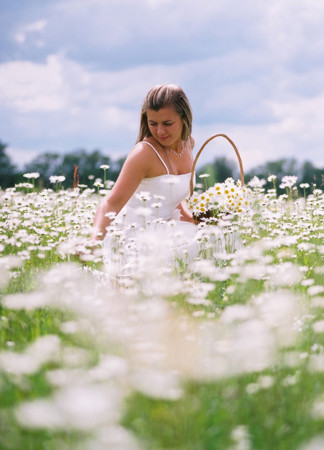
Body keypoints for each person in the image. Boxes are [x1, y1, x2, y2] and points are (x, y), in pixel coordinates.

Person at [91, 84, 199, 274]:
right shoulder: (144, 153)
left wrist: (201, 221)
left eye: (167, 123)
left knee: (218, 237)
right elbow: (111, 203)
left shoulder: (189, 144)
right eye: (152, 123)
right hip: (135, 237)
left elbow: (173, 202)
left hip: (169, 229)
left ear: (184, 119)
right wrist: (94, 240)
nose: (160, 132)